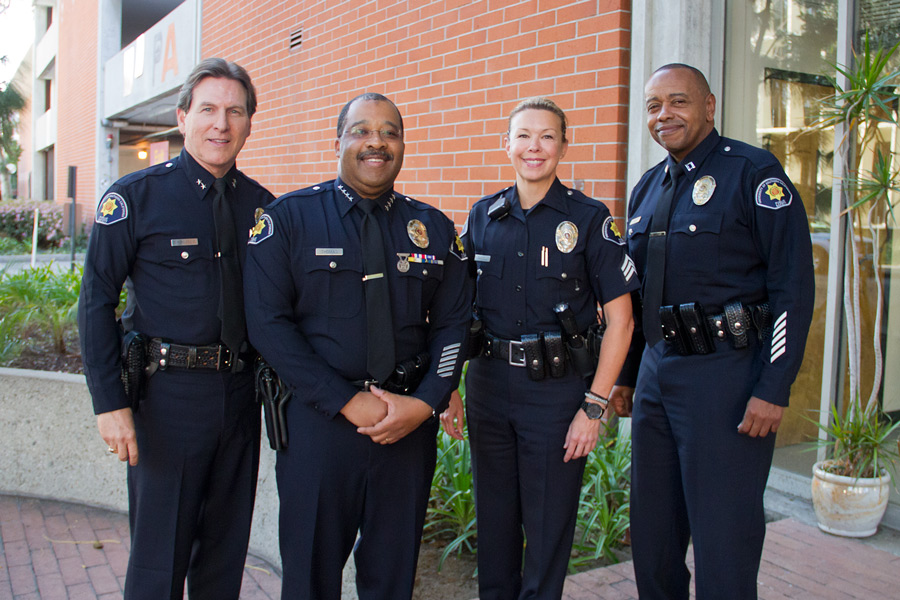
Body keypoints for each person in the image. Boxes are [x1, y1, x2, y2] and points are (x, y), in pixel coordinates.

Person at [242, 92, 471, 599]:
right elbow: (268, 326)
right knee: (309, 578)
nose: (377, 143)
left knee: (392, 580)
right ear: (340, 139)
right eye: (363, 131)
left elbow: (454, 326)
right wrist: (347, 400)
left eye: (390, 132)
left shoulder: (433, 229)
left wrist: (427, 400)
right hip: (319, 427)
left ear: (402, 144)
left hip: (406, 427)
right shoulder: (288, 220)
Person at [609, 64, 815, 599]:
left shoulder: (753, 173)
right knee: (653, 535)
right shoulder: (647, 189)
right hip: (657, 374)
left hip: (727, 376)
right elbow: (637, 294)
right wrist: (630, 375)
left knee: (724, 538)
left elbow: (792, 286)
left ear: (709, 106)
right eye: (653, 106)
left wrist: (773, 387)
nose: (664, 115)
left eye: (677, 102)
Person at [78, 58, 273, 599]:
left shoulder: (264, 209)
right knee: (158, 559)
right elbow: (95, 300)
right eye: (208, 109)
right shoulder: (135, 198)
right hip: (166, 401)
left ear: (250, 124)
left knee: (223, 555)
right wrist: (108, 403)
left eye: (235, 112)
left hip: (238, 398)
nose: (221, 124)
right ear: (182, 116)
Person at [441, 97, 638, 599]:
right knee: (495, 531)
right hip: (488, 388)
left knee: (547, 535)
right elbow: (457, 311)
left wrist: (593, 408)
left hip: (556, 396)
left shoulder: (591, 220)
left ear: (564, 147)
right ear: (505, 144)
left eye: (547, 136)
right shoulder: (482, 216)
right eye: (524, 135)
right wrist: (448, 387)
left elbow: (621, 321)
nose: (535, 147)